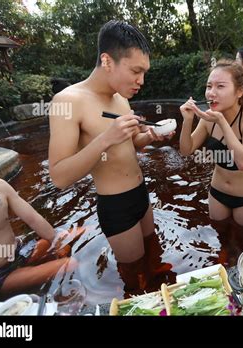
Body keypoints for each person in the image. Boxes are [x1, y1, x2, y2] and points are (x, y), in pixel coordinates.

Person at [48, 20, 173, 266]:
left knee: (155, 259)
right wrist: (105, 139)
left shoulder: (120, 98)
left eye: (144, 73)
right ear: (107, 61)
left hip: (141, 193)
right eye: (136, 71)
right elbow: (59, 176)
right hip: (116, 205)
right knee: (136, 279)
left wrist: (149, 136)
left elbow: (129, 144)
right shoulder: (68, 101)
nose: (141, 81)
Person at [0, 152, 77, 299]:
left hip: (20, 252)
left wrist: (57, 242)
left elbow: (33, 219)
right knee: (69, 264)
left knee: (76, 233)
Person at [179, 59, 243, 227]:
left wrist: (221, 121)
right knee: (220, 235)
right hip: (217, 193)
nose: (211, 93)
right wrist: (187, 121)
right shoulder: (208, 118)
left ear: (239, 91)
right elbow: (186, 151)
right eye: (209, 86)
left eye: (220, 86)